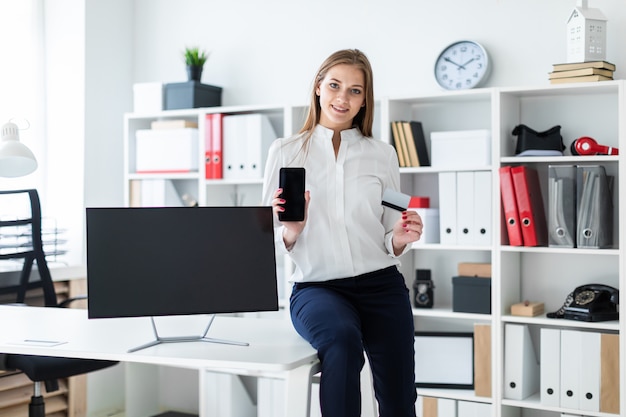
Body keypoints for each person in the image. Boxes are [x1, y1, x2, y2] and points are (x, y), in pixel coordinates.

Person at [261, 49, 422, 417]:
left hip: (382, 285)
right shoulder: (285, 151)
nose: (342, 98)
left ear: (365, 99)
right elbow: (263, 236)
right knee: (343, 341)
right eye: (334, 86)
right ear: (318, 87)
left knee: (399, 399)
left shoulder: (383, 154)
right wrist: (291, 231)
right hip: (317, 289)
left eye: (355, 90)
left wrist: (400, 237)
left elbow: (388, 231)